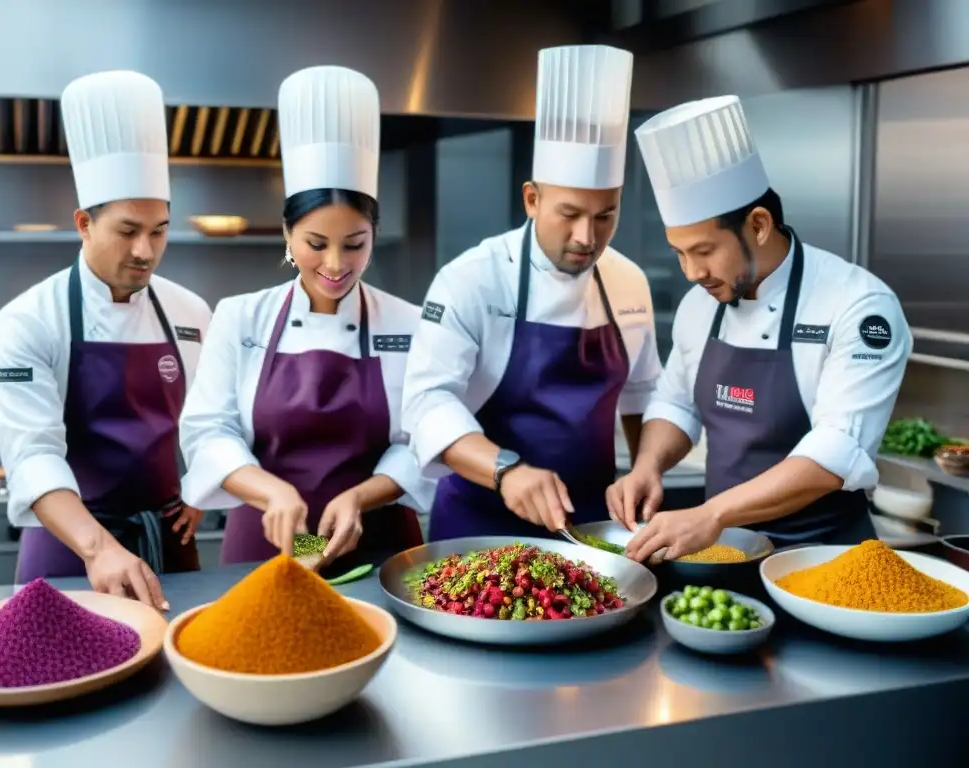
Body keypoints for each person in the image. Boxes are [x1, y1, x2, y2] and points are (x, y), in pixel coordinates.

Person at [613, 95, 912, 563]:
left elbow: (835, 453)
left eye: (705, 250)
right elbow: (675, 402)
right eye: (679, 253)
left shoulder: (858, 305)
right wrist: (647, 466)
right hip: (726, 554)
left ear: (757, 225)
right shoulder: (701, 303)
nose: (691, 272)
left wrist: (712, 514)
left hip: (826, 561)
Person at [401, 44, 663, 541]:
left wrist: (645, 468)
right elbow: (427, 402)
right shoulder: (472, 279)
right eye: (569, 215)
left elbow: (643, 394)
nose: (588, 236)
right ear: (531, 199)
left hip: (592, 526)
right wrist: (505, 470)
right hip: (480, 522)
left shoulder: (628, 280)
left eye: (605, 215)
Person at [178, 66, 433, 571]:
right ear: (288, 234)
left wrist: (362, 497)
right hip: (269, 545)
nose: (336, 265)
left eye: (355, 245)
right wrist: (270, 491)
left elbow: (422, 441)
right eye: (316, 244)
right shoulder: (241, 317)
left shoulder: (409, 322)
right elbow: (208, 433)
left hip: (379, 544)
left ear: (374, 235)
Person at [0, 71, 213, 608]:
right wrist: (98, 548)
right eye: (128, 230)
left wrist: (204, 483)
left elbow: (211, 419)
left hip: (169, 546)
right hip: (72, 550)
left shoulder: (189, 311)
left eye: (159, 230)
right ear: (84, 224)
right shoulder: (30, 318)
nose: (146, 250)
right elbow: (33, 455)